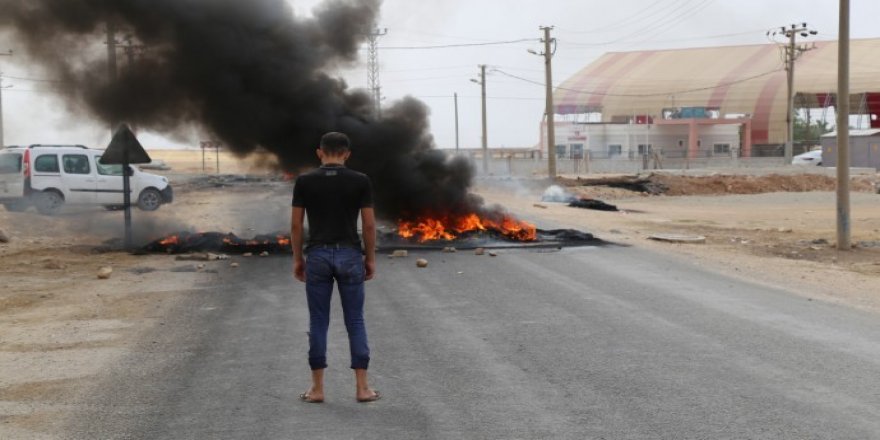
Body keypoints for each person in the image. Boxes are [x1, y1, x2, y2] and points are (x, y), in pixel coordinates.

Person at [291, 131, 380, 403]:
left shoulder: (305, 181)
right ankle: (362, 388)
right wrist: (370, 257)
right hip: (350, 254)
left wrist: (298, 259)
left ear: (320, 152)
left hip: (317, 255)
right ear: (347, 154)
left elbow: (296, 225)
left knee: (319, 321)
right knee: (355, 320)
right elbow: (368, 224)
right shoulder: (360, 181)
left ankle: (317, 389)